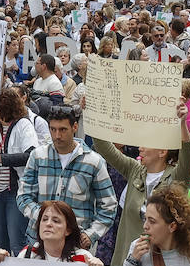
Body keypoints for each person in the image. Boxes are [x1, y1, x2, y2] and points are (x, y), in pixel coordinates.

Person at [93, 100, 190, 266]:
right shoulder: (134, 169)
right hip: (128, 257)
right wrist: (92, 112)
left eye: (146, 143)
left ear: (163, 152)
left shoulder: (177, 177)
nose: (139, 148)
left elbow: (189, 156)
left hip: (161, 261)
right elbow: (104, 147)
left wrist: (182, 122)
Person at [15, 105, 118, 249]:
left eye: (63, 129)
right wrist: (43, 217)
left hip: (75, 244)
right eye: (53, 129)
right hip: (39, 241)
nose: (57, 135)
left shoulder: (94, 162)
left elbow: (109, 204)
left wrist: (91, 234)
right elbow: (23, 196)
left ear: (75, 127)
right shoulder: (38, 157)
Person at [0, 89, 38, 257]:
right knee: (0, 244)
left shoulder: (23, 125)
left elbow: (31, 154)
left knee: (17, 242)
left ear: (4, 106)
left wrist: (0, 158)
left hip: (16, 192)